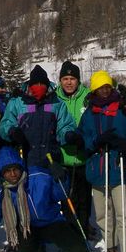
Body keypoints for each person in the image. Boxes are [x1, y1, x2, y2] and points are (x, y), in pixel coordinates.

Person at [0, 146, 97, 252]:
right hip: (27, 228)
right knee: (22, 236)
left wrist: (61, 177)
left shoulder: (39, 177)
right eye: (7, 171)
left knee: (71, 240)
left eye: (15, 169)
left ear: (21, 167)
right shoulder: (1, 194)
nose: (13, 174)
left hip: (51, 222)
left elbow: (62, 193)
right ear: (1, 174)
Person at [78, 71, 126, 252]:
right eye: (100, 87)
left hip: (120, 169)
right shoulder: (89, 114)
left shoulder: (123, 110)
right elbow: (84, 139)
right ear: (94, 90)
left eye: (108, 87)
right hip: (97, 170)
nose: (105, 91)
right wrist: (96, 141)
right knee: (103, 216)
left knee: (124, 217)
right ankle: (110, 248)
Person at [0, 65, 83, 169]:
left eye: (42, 84)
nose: (39, 87)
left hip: (51, 159)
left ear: (47, 85)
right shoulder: (17, 103)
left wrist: (67, 134)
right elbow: (5, 124)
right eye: (35, 84)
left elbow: (64, 125)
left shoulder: (56, 103)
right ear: (30, 85)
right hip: (24, 158)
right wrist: (12, 131)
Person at [55, 60, 94, 236]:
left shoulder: (88, 96)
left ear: (78, 80)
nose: (69, 82)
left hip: (84, 156)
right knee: (67, 197)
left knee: (84, 197)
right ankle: (71, 228)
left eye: (72, 78)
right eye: (65, 78)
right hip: (64, 157)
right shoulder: (54, 98)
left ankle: (84, 227)